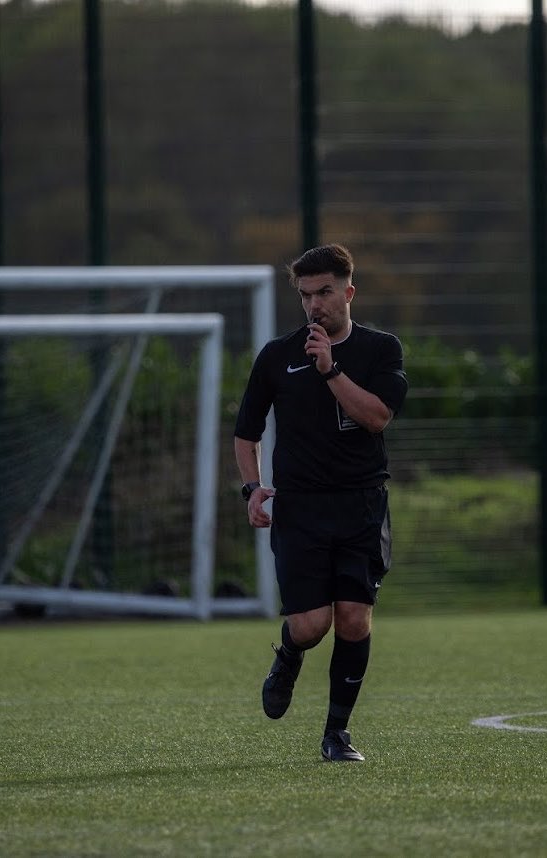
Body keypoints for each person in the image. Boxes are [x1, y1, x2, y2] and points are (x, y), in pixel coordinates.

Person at [234, 243, 408, 762]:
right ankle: (289, 655)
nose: (314, 305)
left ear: (348, 292)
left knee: (354, 618)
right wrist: (253, 488)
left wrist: (331, 370)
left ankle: (337, 733)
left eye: (325, 293)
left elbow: (377, 417)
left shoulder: (381, 350)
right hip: (302, 508)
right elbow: (246, 434)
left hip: (360, 504)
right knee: (311, 626)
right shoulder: (276, 356)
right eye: (306, 295)